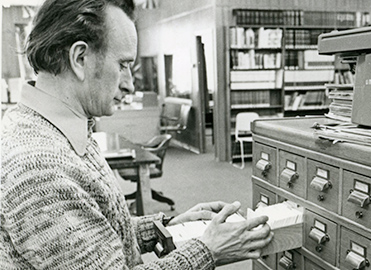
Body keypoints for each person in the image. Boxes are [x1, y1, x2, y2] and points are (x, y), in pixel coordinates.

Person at [0, 0, 273, 269]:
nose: (130, 84)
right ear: (79, 58)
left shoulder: (56, 126)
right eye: (122, 65)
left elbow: (98, 231)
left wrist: (163, 228)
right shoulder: (39, 168)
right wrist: (207, 251)